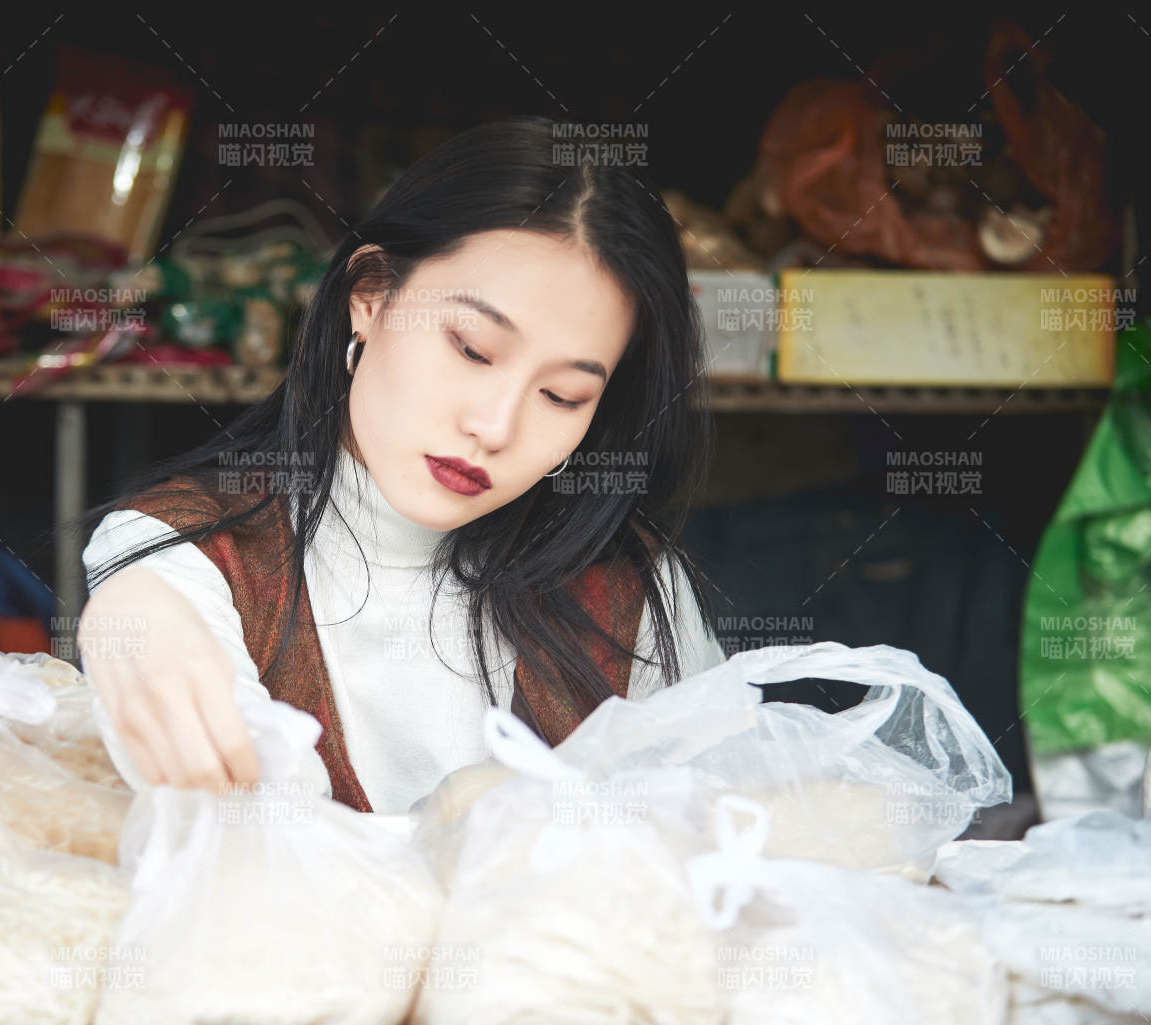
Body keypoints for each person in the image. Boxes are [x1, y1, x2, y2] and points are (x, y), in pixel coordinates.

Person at [74, 114, 726, 814]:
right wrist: (131, 608)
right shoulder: (188, 555)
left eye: (562, 395)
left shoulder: (632, 593)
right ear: (371, 296)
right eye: (472, 348)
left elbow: (727, 846)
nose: (494, 426)